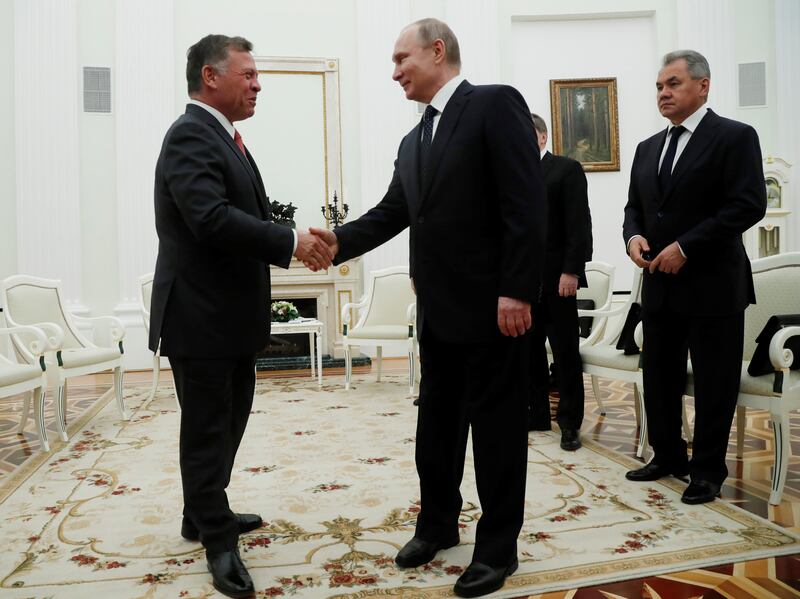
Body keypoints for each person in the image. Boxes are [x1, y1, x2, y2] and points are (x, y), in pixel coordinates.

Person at [310, 18, 546, 598]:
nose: (394, 72)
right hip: (438, 314)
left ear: (437, 51)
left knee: (495, 434)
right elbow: (393, 212)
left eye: (400, 59)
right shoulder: (414, 139)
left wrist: (516, 289)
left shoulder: (493, 105)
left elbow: (525, 201)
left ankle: (498, 548)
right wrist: (338, 242)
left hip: (496, 310)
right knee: (435, 430)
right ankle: (437, 524)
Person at [149, 34, 333, 598]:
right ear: (211, 77)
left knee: (228, 424)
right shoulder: (189, 134)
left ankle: (202, 514)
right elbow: (209, 218)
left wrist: (293, 235)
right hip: (200, 318)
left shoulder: (224, 138)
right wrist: (289, 241)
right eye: (248, 74)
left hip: (226, 317)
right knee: (207, 431)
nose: (257, 84)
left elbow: (240, 212)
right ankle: (218, 543)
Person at [622, 50, 766, 505]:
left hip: (714, 287)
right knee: (658, 375)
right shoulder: (648, 148)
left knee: (713, 383)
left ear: (702, 86)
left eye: (674, 84)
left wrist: (686, 247)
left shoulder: (735, 137)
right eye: (660, 87)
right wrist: (633, 238)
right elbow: (634, 210)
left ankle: (706, 471)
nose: (664, 93)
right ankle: (667, 455)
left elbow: (747, 204)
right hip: (660, 287)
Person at [528, 113, 592, 451]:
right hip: (523, 283)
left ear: (542, 137)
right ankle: (536, 413)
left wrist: (572, 270)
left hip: (558, 279)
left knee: (565, 353)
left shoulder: (566, 169)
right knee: (528, 351)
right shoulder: (512, 174)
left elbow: (578, 224)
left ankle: (569, 423)